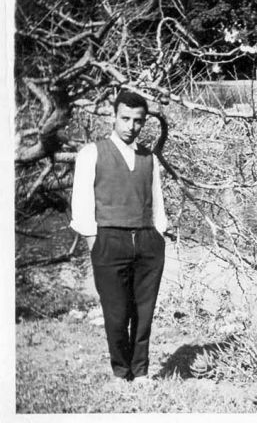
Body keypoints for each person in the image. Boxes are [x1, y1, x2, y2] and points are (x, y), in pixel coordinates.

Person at [71, 90, 167, 385]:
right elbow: (82, 203)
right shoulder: (92, 153)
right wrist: (95, 243)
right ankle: (120, 371)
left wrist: (158, 235)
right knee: (116, 312)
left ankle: (140, 372)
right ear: (114, 117)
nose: (131, 126)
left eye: (137, 121)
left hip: (147, 242)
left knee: (144, 310)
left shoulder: (148, 157)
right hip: (108, 241)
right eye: (125, 118)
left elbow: (157, 202)